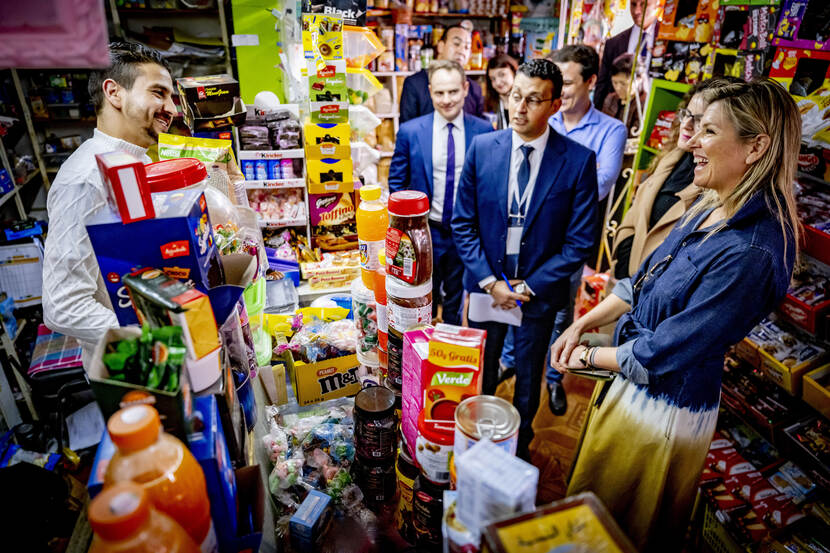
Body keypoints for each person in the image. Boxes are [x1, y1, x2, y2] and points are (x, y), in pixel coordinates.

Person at [551, 78, 800, 551]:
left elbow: (663, 352)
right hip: (629, 384)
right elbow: (639, 282)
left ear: (755, 147)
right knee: (590, 510)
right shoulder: (709, 203)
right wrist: (582, 324)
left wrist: (584, 357)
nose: (693, 143)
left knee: (621, 528)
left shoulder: (753, 251)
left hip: (665, 410)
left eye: (708, 131)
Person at [452, 59, 598, 460]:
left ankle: (521, 447)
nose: (519, 108)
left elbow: (578, 242)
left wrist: (527, 287)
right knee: (483, 369)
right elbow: (462, 223)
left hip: (535, 293)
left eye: (533, 100)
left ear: (555, 104)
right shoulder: (484, 148)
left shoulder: (577, 161)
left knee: (529, 377)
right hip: (487, 288)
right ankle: (478, 441)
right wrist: (489, 282)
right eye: (516, 96)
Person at [42, 42, 176, 367]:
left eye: (172, 97)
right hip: (133, 362)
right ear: (114, 93)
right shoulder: (87, 177)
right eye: (158, 94)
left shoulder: (130, 161)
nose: (173, 109)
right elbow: (63, 305)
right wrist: (156, 349)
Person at [388, 60, 493, 325]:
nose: (447, 100)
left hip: (465, 231)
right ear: (430, 91)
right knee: (422, 293)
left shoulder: (483, 131)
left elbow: (488, 183)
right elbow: (397, 182)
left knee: (458, 295)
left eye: (453, 92)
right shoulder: (411, 132)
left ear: (465, 89)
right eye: (439, 93)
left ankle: (451, 344)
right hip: (425, 230)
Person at [611, 76, 744, 280]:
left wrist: (638, 285)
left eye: (699, 121)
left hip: (653, 294)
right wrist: (623, 264)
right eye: (686, 114)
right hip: (624, 283)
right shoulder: (671, 158)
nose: (687, 125)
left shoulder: (716, 183)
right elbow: (635, 213)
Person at [550, 45, 626, 202]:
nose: (559, 91)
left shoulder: (612, 131)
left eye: (567, 83)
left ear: (590, 82)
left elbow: (600, 187)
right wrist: (582, 173)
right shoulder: (544, 120)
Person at [399, 25, 485, 123]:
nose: (462, 51)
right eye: (456, 44)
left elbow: (479, 131)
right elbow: (407, 130)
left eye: (467, 47)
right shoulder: (415, 84)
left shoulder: (474, 89)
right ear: (440, 46)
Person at [594, 0, 661, 110]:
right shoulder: (613, 44)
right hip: (616, 114)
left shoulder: (670, 40)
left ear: (657, 5)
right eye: (633, 4)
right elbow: (602, 86)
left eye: (644, 5)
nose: (637, 11)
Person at [600, 53, 647, 131]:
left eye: (623, 83)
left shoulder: (643, 104)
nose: (618, 88)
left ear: (639, 79)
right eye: (615, 82)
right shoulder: (610, 99)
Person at [484, 54, 518, 130]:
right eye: (493, 79)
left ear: (514, 72)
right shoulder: (488, 105)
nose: (498, 82)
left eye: (502, 75)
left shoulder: (526, 103)